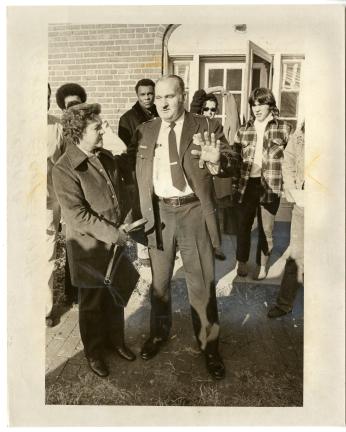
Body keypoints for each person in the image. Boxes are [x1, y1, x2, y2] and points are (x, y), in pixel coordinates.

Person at [133, 75, 236, 380]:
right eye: (159, 97)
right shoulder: (146, 130)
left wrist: (218, 161)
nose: (162, 103)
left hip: (193, 211)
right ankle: (158, 334)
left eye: (169, 96)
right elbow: (136, 172)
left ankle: (209, 347)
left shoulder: (205, 127)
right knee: (160, 283)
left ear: (182, 96)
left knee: (201, 284)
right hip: (161, 213)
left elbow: (232, 158)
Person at [52, 102, 137, 378]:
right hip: (88, 247)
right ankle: (94, 352)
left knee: (115, 296)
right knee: (91, 302)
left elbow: (122, 189)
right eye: (96, 127)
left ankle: (116, 341)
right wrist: (115, 234)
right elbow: (77, 215)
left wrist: (125, 223)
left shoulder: (105, 156)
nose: (102, 130)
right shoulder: (64, 168)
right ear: (78, 132)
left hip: (113, 241)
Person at [232, 88, 291, 280]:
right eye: (253, 105)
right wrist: (234, 186)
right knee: (243, 226)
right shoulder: (243, 130)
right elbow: (235, 161)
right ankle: (241, 261)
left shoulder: (283, 128)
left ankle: (262, 265)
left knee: (266, 230)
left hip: (270, 185)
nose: (256, 109)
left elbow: (290, 161)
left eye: (261, 104)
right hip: (246, 185)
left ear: (270, 104)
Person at [118, 79, 158, 266]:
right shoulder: (127, 119)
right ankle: (143, 250)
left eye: (150, 93)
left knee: (158, 207)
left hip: (158, 169)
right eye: (143, 94)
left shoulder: (160, 112)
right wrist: (130, 177)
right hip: (138, 170)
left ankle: (158, 245)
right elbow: (125, 151)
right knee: (141, 209)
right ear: (137, 95)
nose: (147, 97)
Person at [268, 122, 305, 317]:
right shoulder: (300, 135)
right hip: (304, 204)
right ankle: (284, 304)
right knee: (296, 256)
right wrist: (293, 190)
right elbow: (288, 161)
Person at [46, 83, 64, 327]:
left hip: (48, 203)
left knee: (46, 257)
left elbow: (62, 165)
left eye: (45, 95)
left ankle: (45, 309)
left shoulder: (56, 126)